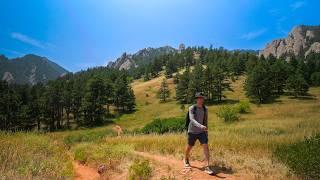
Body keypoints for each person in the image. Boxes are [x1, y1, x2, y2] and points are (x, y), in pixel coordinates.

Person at [184, 92, 214, 174]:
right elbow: (192, 120)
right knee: (190, 146)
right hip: (192, 131)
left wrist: (206, 130)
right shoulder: (192, 108)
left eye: (201, 98)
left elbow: (205, 120)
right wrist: (201, 126)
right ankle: (186, 159)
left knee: (206, 146)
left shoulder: (205, 109)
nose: (200, 100)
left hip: (202, 132)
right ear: (196, 99)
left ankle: (207, 166)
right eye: (199, 98)